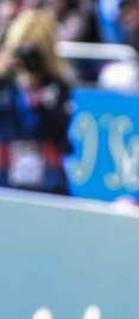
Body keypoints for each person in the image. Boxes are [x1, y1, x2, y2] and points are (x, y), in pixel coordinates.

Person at [0, 9, 72, 196]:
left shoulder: (58, 86)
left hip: (48, 177)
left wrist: (38, 95)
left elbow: (60, 131)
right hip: (5, 172)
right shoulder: (5, 84)